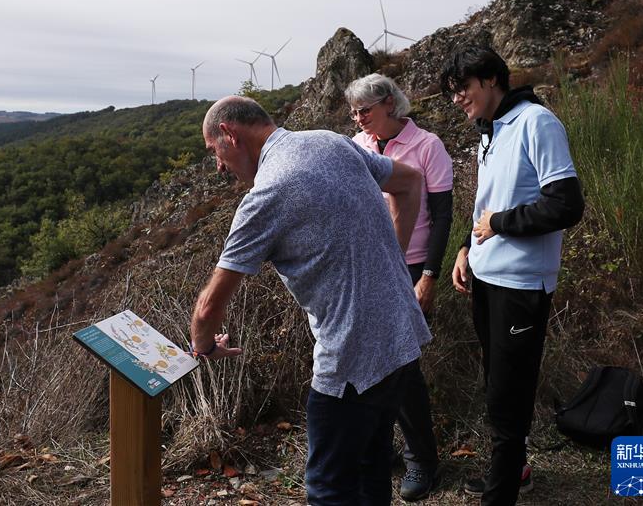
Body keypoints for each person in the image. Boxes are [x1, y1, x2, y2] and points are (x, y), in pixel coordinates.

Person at [189, 95, 429, 505]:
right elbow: (410, 183)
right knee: (372, 468)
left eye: (215, 151)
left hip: (352, 358)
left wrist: (203, 345)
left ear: (230, 134)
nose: (218, 166)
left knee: (327, 490)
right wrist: (392, 260)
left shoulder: (266, 195)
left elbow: (210, 307)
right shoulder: (330, 141)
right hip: (402, 337)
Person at [440, 45, 584, 505]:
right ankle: (513, 469)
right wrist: (466, 245)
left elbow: (566, 204)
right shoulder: (491, 129)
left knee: (509, 392)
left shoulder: (537, 123)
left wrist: (499, 224)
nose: (457, 98)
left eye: (462, 88)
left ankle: (500, 494)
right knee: (498, 382)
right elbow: (489, 202)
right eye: (452, 91)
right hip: (486, 278)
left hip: (521, 284)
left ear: (490, 80)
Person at [345, 73, 453, 501]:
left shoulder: (428, 145)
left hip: (409, 267)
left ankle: (422, 460)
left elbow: (443, 215)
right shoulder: (356, 146)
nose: (358, 118)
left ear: (389, 103)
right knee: (370, 365)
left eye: (365, 110)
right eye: (354, 111)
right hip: (370, 266)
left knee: (405, 368)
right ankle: (381, 449)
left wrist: (430, 275)